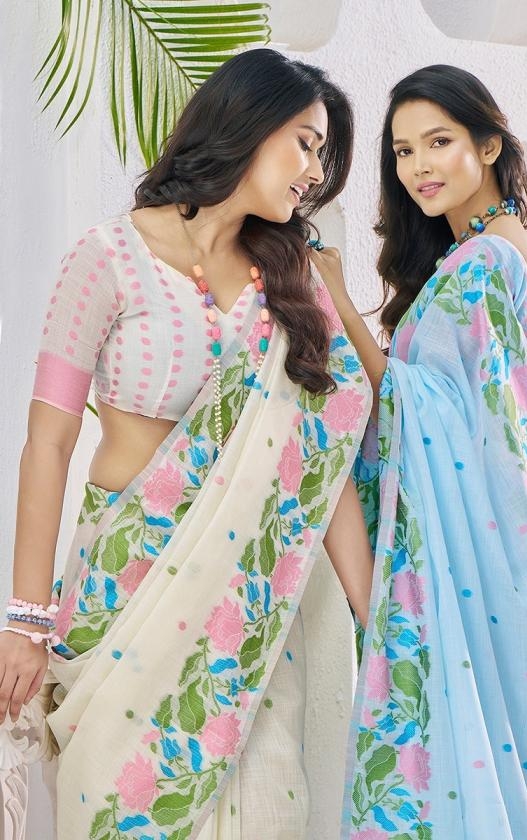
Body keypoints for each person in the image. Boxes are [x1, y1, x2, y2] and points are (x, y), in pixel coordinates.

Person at [0, 48, 375, 839]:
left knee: (266, 807)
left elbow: (326, 460)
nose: (315, 172)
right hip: (123, 586)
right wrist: (26, 620)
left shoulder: (292, 287)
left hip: (245, 606)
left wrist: (375, 611)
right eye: (306, 143)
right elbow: (48, 443)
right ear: (250, 122)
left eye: (322, 156)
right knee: (119, 805)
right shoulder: (108, 258)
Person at [312, 65, 527, 839]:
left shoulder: (483, 265)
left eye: (439, 142)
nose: (418, 166)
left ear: (488, 146)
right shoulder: (522, 254)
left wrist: (335, 296)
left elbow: (416, 403)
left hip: (494, 578)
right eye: (403, 150)